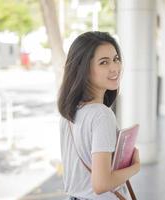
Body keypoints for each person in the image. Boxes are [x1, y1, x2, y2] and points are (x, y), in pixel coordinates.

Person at [58, 31, 140, 200]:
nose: (114, 68)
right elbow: (101, 184)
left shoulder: (69, 113)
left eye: (116, 59)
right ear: (84, 70)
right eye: (104, 62)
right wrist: (135, 167)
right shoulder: (101, 115)